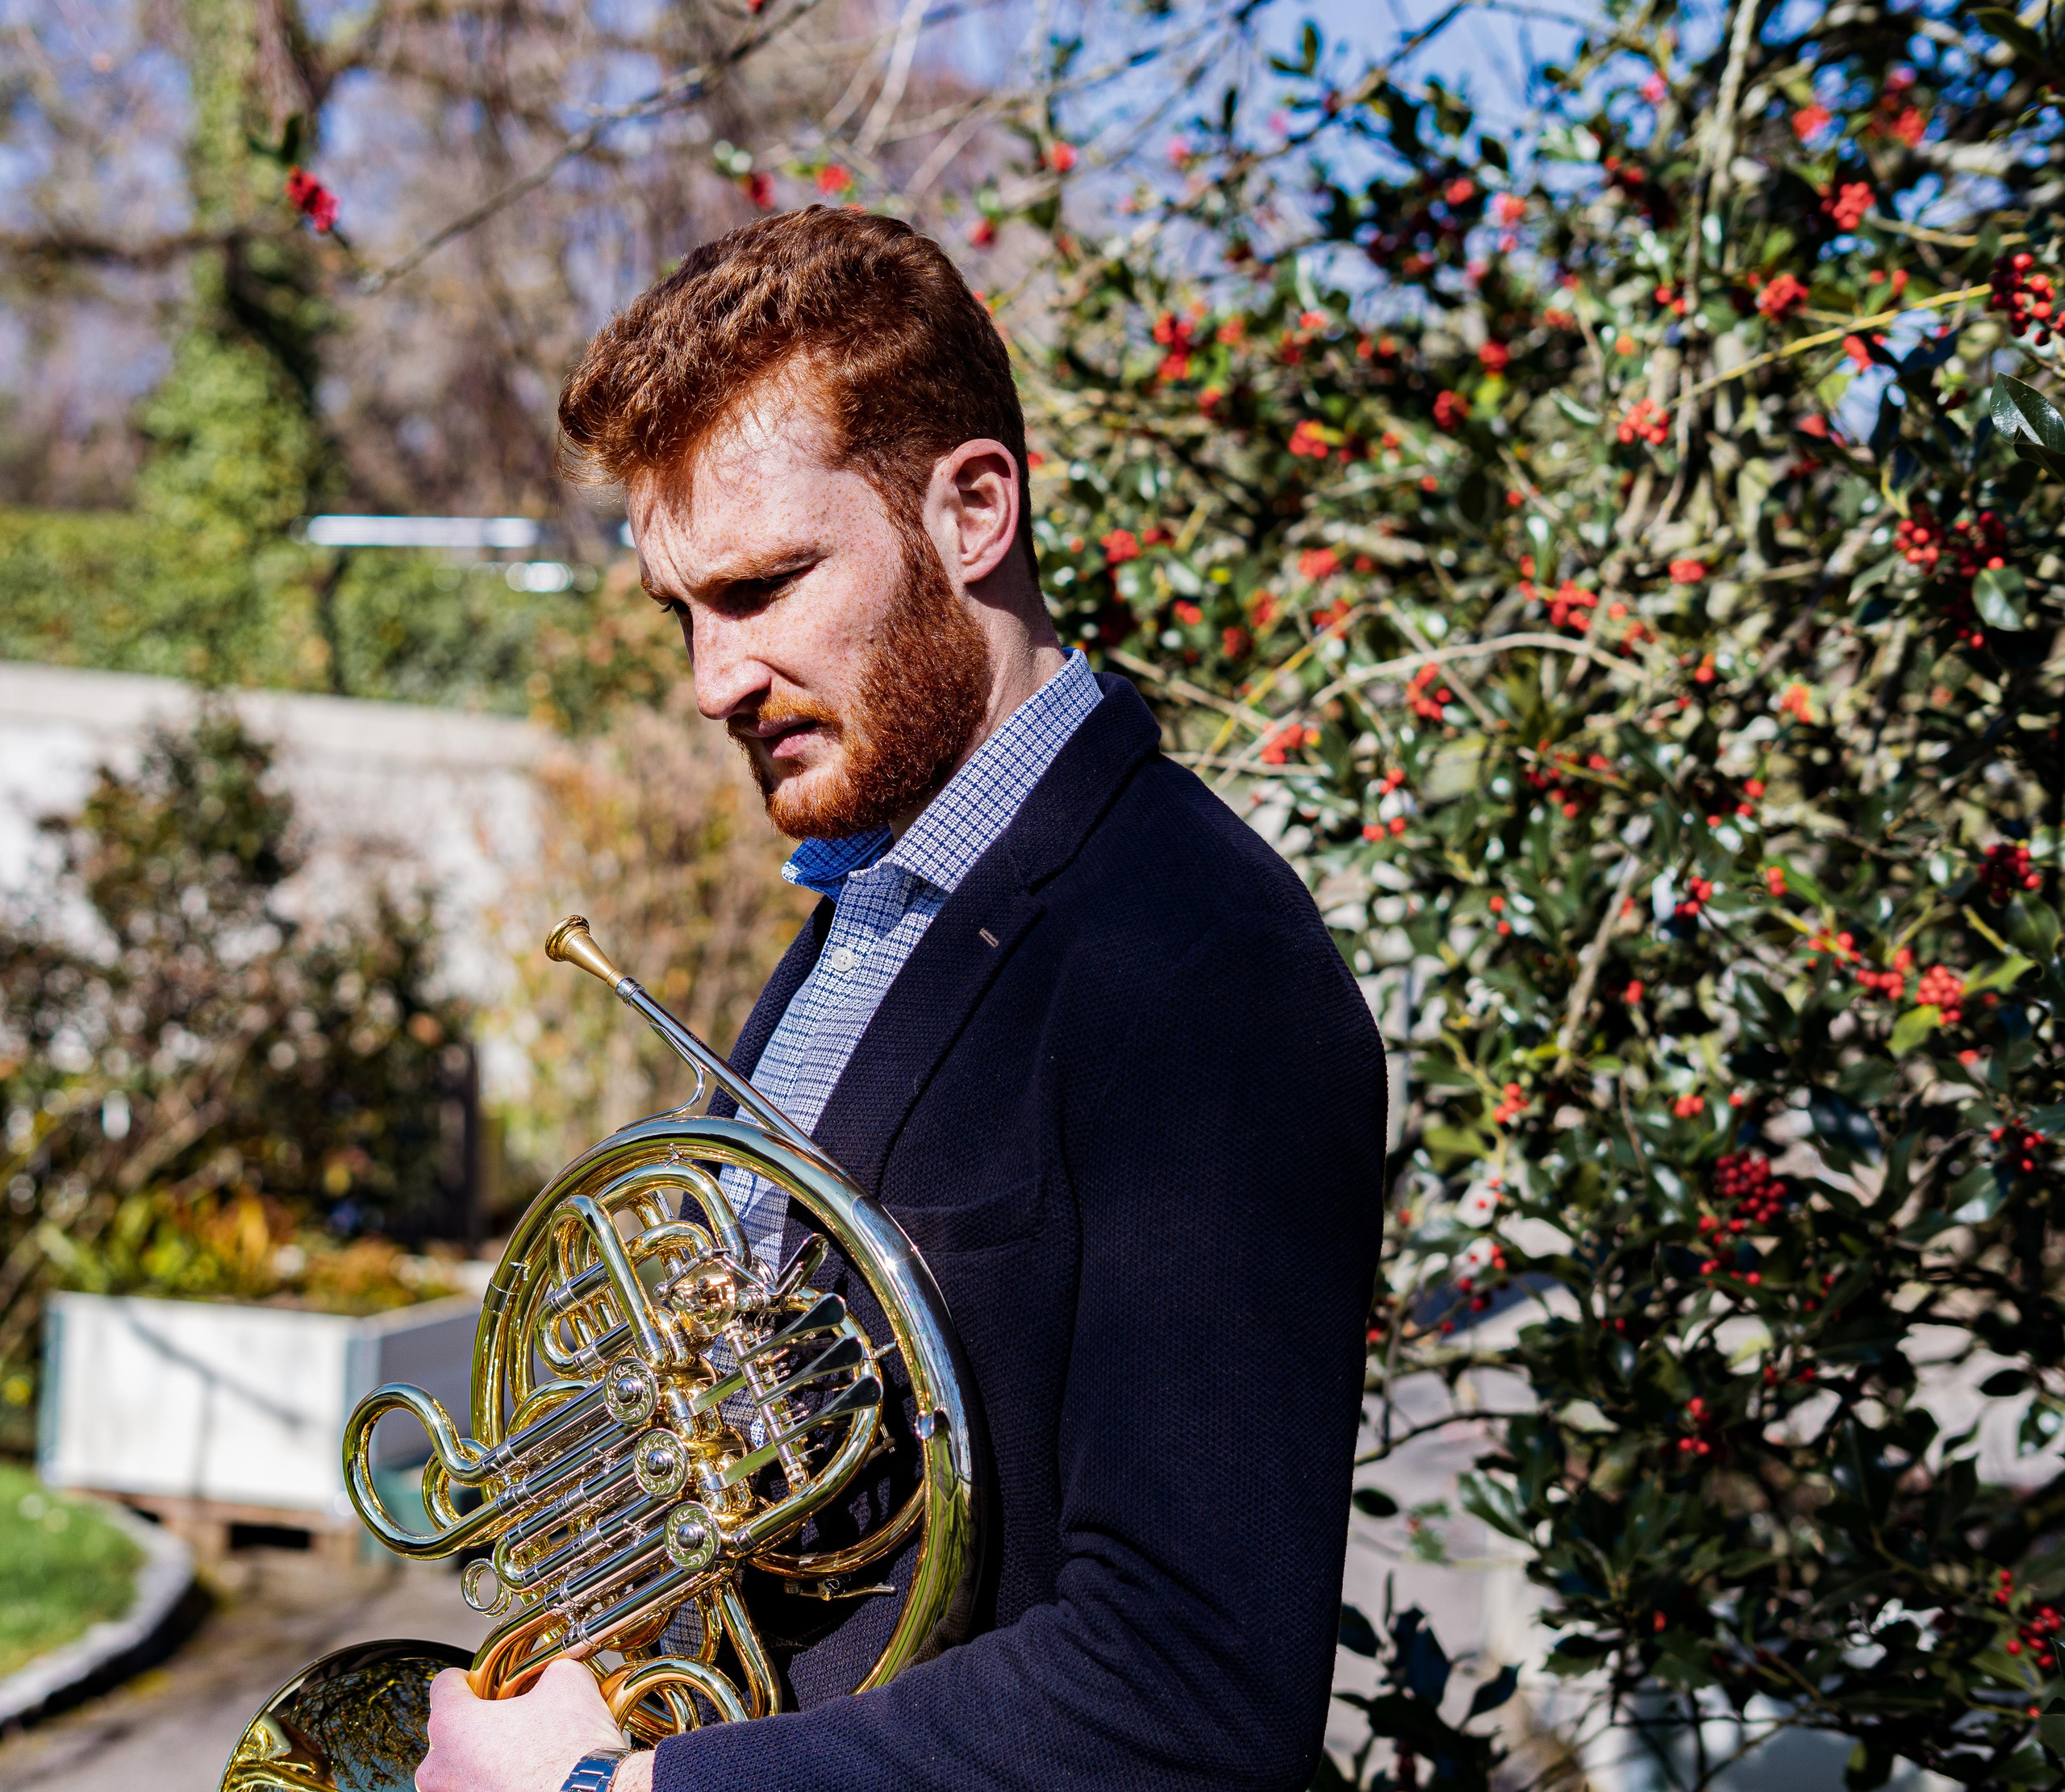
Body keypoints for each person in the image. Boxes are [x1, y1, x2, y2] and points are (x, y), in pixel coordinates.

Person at [415, 206, 1386, 1792]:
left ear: (973, 510)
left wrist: (620, 1790)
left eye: (763, 586)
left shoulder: (1201, 966)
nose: (711, 680)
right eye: (681, 611)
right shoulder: (871, 908)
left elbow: (1192, 1683)